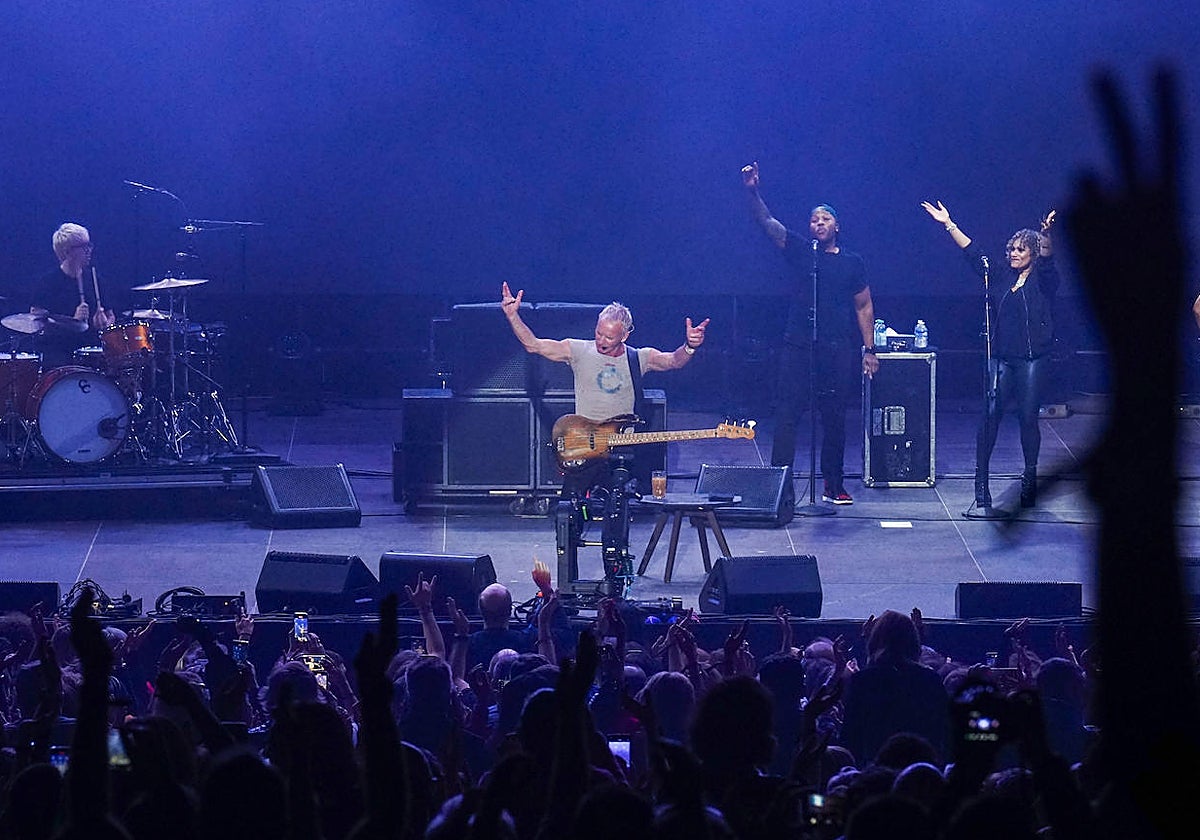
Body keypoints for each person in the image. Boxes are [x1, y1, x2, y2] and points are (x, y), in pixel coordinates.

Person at [742, 161, 878, 505]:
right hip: (799, 346)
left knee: (834, 418)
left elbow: (863, 306)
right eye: (814, 219)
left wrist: (869, 349)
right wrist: (753, 191)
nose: (819, 223)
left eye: (825, 219)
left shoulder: (852, 262)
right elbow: (768, 224)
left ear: (837, 226)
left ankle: (833, 484)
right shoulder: (802, 252)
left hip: (836, 349)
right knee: (788, 415)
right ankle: (780, 488)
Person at [500, 281, 708, 500]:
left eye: (609, 337)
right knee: (569, 510)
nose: (601, 340)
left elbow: (674, 361)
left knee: (617, 510)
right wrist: (513, 316)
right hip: (583, 446)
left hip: (620, 450)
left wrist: (690, 346)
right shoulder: (578, 350)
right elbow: (533, 345)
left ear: (625, 336)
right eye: (599, 333)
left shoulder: (639, 357)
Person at [920, 201, 1058, 508]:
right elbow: (972, 252)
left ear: (1032, 253)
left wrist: (1046, 234)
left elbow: (1049, 262)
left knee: (1026, 419)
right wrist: (948, 223)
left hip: (1033, 359)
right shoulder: (998, 277)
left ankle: (1030, 476)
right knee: (990, 417)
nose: (1013, 254)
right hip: (1002, 358)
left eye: (1021, 250)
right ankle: (980, 482)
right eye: (1011, 249)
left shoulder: (1043, 281)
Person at [29, 223, 115, 366]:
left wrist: (105, 324)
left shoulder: (94, 279)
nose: (89, 251)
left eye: (90, 245)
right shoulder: (47, 283)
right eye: (84, 246)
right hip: (59, 353)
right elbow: (36, 324)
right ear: (67, 252)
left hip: (92, 350)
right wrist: (72, 323)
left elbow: (111, 314)